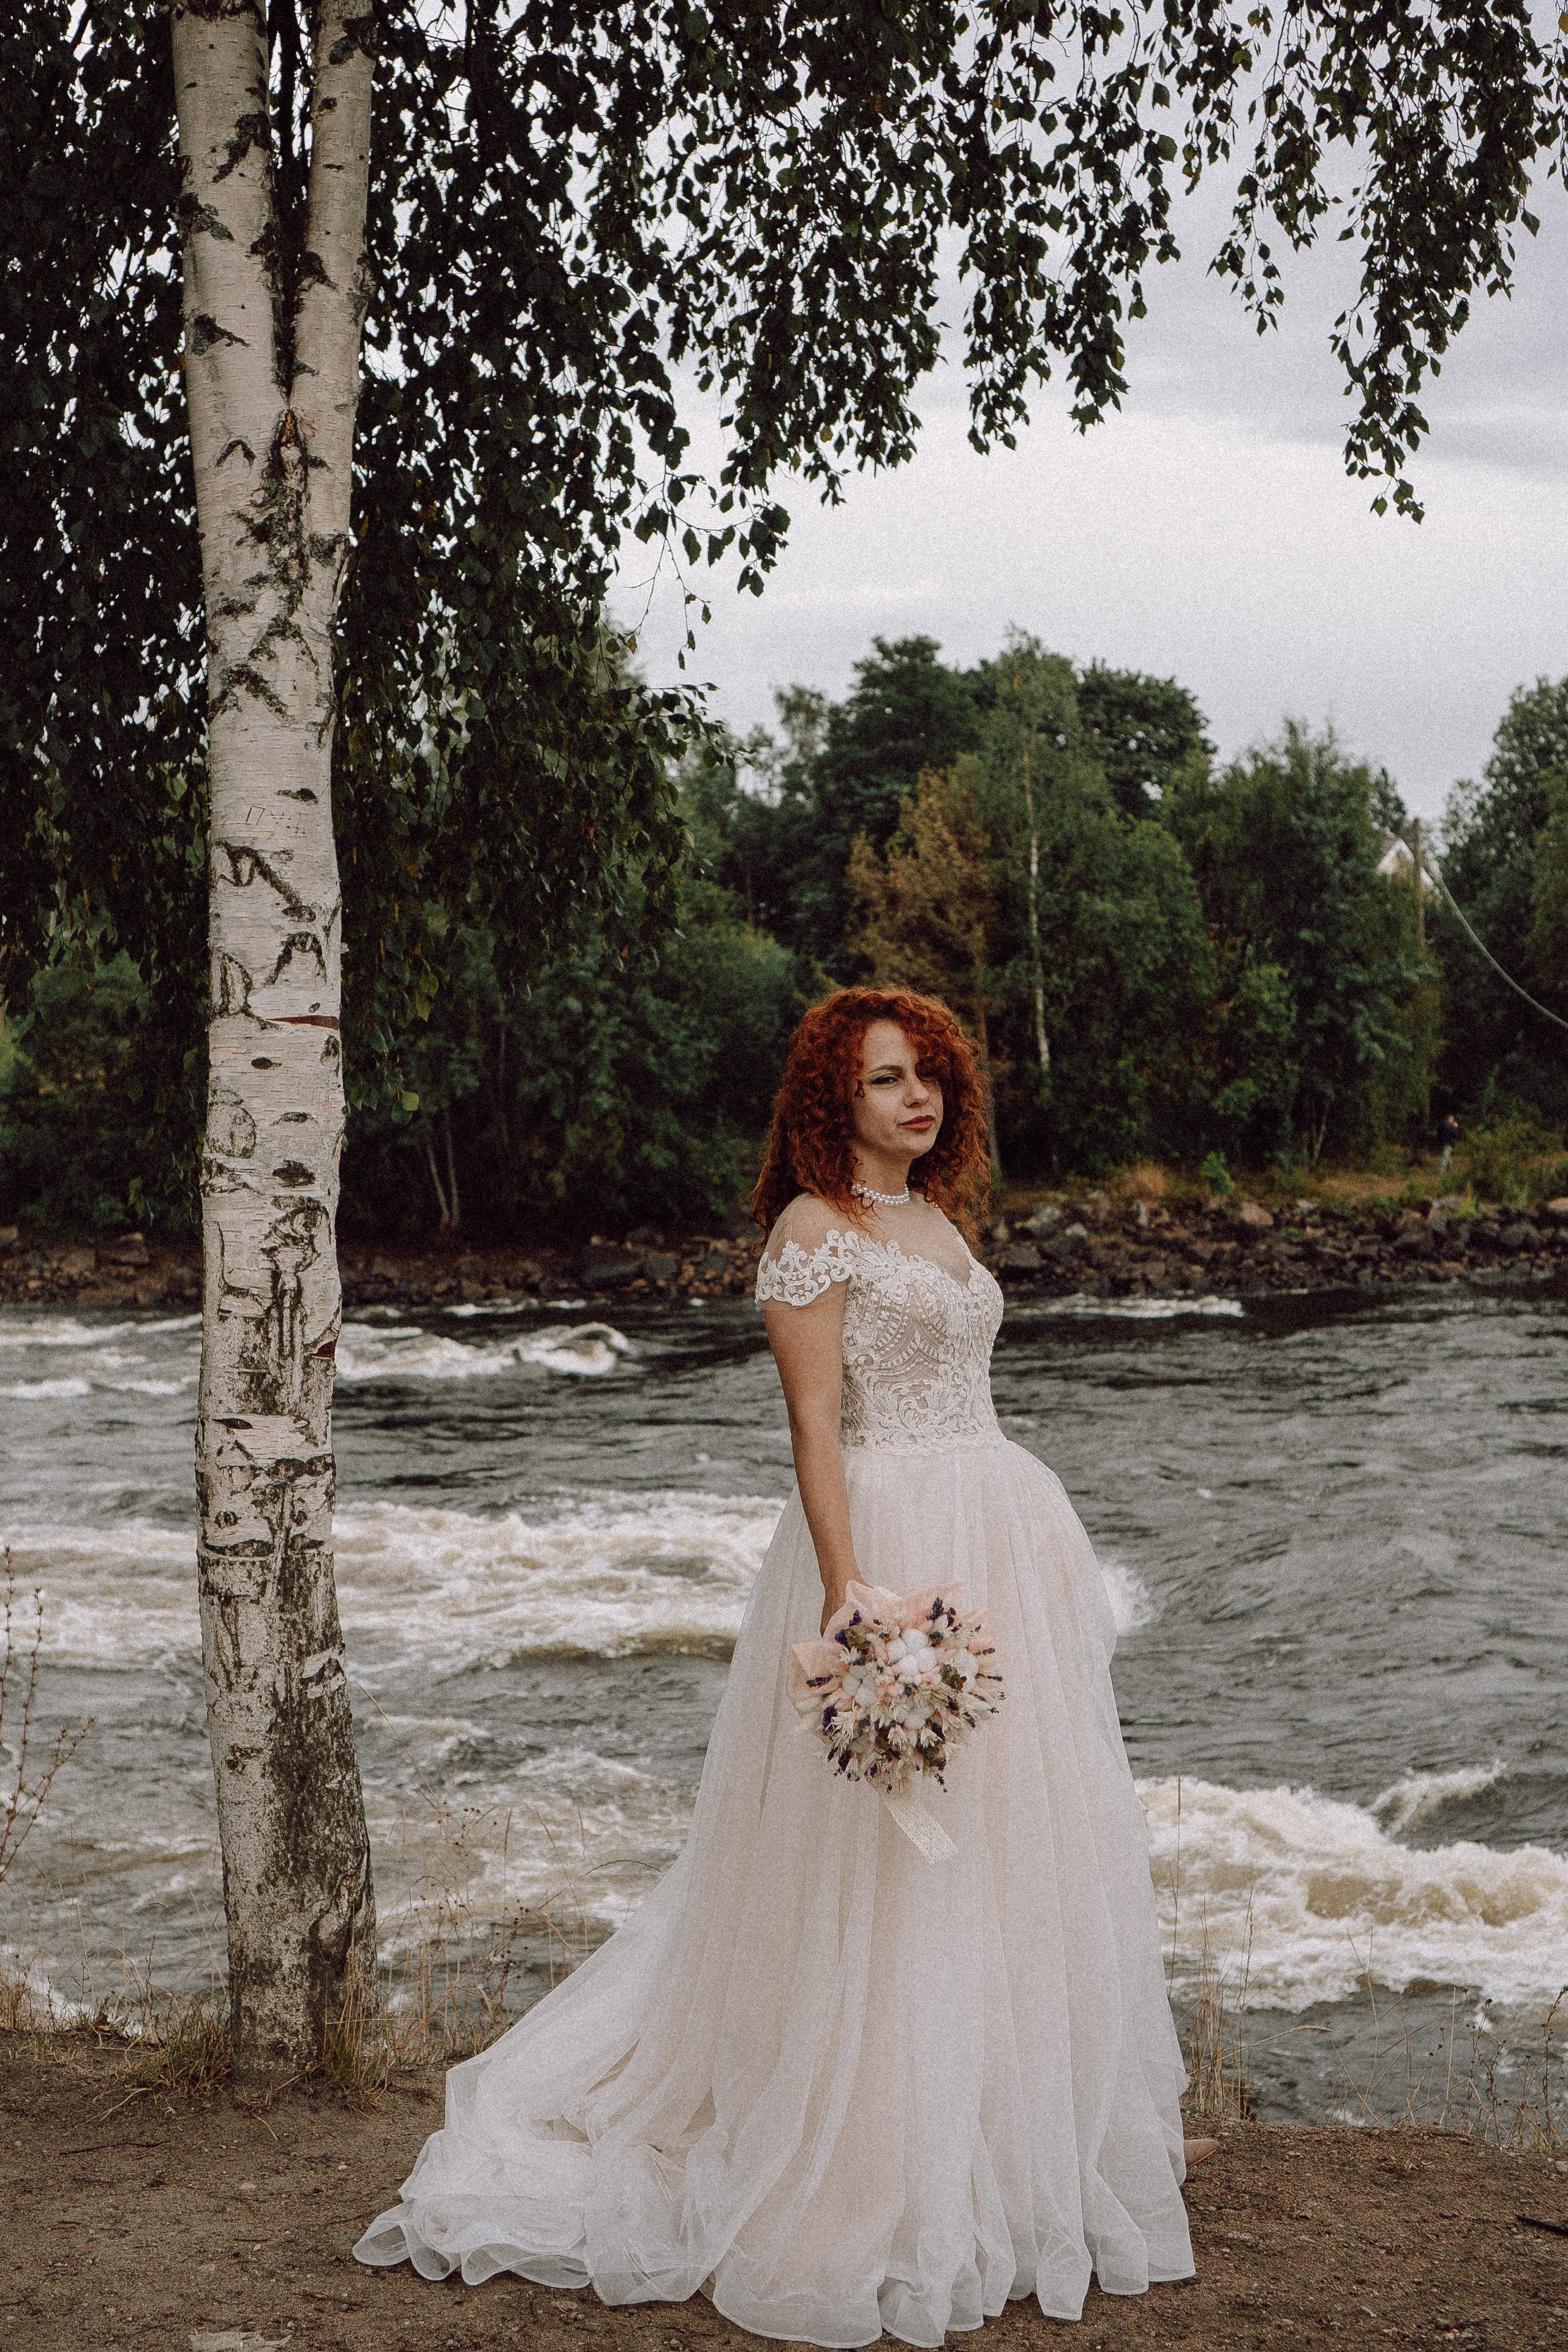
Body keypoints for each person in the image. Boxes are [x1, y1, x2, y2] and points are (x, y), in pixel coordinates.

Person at [354, 986, 1210, 2345]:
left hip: (1000, 1521)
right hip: (888, 1537)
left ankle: (1001, 2140)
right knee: (876, 1861)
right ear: (832, 1100)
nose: (915, 1099)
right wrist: (852, 1598)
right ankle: (867, 2154)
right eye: (885, 1080)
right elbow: (816, 1428)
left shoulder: (937, 1222)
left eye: (928, 1076)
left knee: (1011, 1841)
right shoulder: (811, 1239)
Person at [1437, 1111, 1461, 1180]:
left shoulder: (1442, 1124)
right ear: (1450, 1119)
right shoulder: (1448, 1125)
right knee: (1446, 1157)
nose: (1453, 1121)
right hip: (1447, 1143)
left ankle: (1451, 1171)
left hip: (1443, 1143)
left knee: (1448, 1157)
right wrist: (1456, 1127)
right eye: (1452, 1120)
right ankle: (1442, 1173)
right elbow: (1455, 1133)